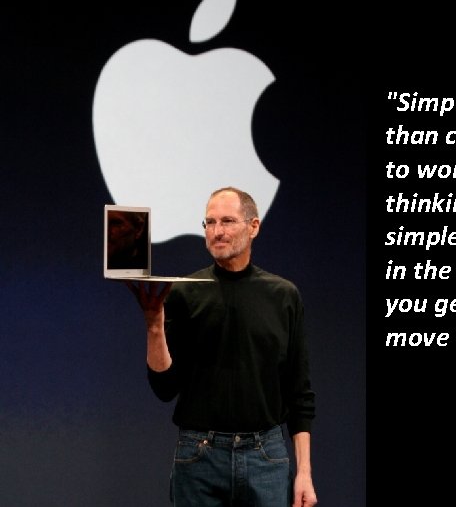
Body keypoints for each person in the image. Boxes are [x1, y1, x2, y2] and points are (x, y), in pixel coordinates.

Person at [127, 187, 317, 507]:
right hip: (199, 457)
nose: (217, 231)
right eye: (210, 222)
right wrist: (154, 327)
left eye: (227, 221)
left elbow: (299, 393)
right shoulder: (184, 294)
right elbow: (164, 387)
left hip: (266, 457)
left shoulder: (283, 295)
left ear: (253, 227)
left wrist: (305, 473)